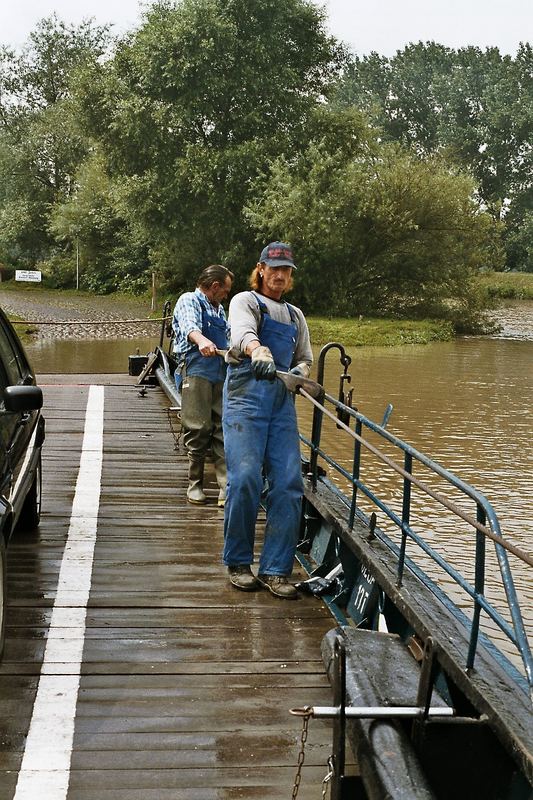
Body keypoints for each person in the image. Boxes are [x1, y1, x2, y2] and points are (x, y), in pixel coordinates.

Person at [222, 242, 312, 599]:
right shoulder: (245, 301)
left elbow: (304, 356)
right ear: (260, 269)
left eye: (286, 270)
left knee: (289, 482)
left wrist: (301, 371)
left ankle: (276, 570)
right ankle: (238, 563)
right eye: (273, 268)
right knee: (244, 478)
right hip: (245, 397)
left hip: (281, 403)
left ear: (290, 276)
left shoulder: (295, 315)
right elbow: (242, 333)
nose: (279, 275)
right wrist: (256, 349)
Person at [172, 264, 234, 506]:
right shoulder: (190, 300)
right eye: (225, 290)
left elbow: (228, 336)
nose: (226, 295)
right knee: (198, 426)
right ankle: (194, 484)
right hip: (196, 369)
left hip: (221, 371)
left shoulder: (220, 311)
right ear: (215, 286)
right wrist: (202, 341)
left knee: (221, 427)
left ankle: (224, 488)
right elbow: (190, 327)